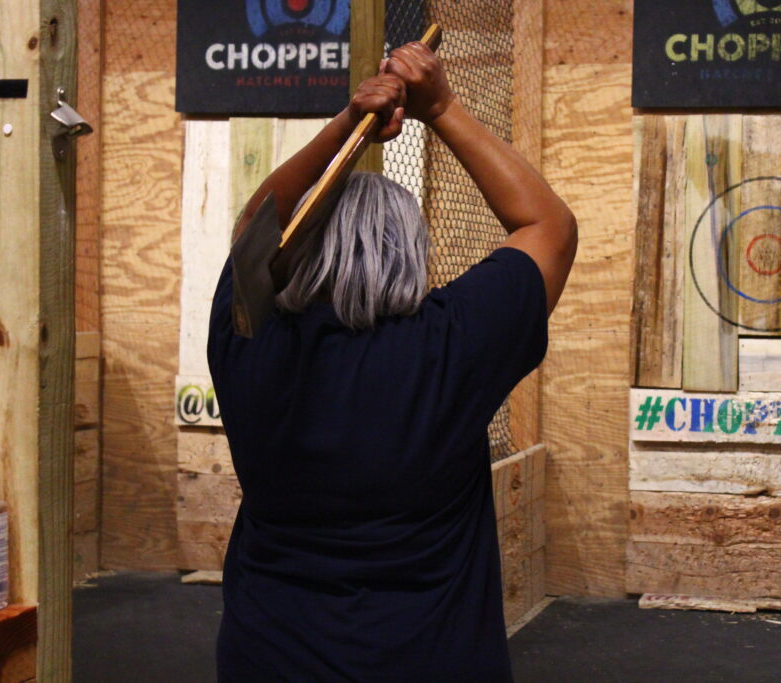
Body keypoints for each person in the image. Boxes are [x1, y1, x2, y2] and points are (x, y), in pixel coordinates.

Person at [208, 41, 576, 681]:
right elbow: (549, 226)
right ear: (408, 252)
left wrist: (350, 125)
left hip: (268, 656)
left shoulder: (250, 334)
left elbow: (254, 229)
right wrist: (442, 107)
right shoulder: (447, 344)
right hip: (430, 660)